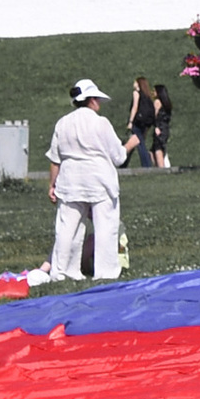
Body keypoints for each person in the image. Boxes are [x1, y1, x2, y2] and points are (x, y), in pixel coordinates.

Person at [47, 79, 130, 281]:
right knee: (106, 227)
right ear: (91, 100)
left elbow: (55, 158)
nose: (99, 103)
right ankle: (105, 271)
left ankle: (62, 271)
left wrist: (52, 184)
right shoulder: (101, 123)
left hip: (70, 180)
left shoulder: (62, 123)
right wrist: (129, 145)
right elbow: (119, 157)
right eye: (97, 99)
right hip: (99, 180)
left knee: (67, 228)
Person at [127, 77, 161, 168]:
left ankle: (146, 165)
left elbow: (135, 107)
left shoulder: (136, 93)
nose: (133, 83)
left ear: (138, 83)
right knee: (136, 142)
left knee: (139, 144)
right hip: (146, 123)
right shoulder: (147, 96)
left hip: (137, 121)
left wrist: (130, 121)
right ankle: (124, 163)